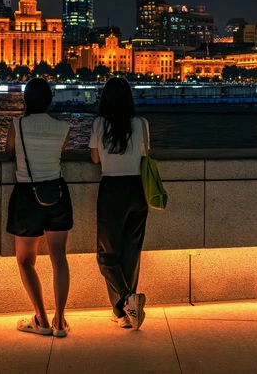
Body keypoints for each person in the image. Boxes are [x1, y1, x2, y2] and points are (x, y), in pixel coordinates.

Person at [5, 77, 72, 337]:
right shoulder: (63, 127)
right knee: (59, 258)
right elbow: (59, 152)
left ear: (25, 100)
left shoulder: (17, 124)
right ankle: (60, 322)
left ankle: (41, 320)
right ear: (50, 101)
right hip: (56, 193)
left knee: (25, 260)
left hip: (26, 194)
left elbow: (9, 153)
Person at [89, 77, 148, 330]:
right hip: (138, 190)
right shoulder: (141, 123)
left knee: (107, 255)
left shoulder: (100, 123)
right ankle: (123, 313)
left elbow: (95, 159)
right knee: (131, 253)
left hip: (112, 190)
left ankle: (125, 298)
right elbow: (145, 155)